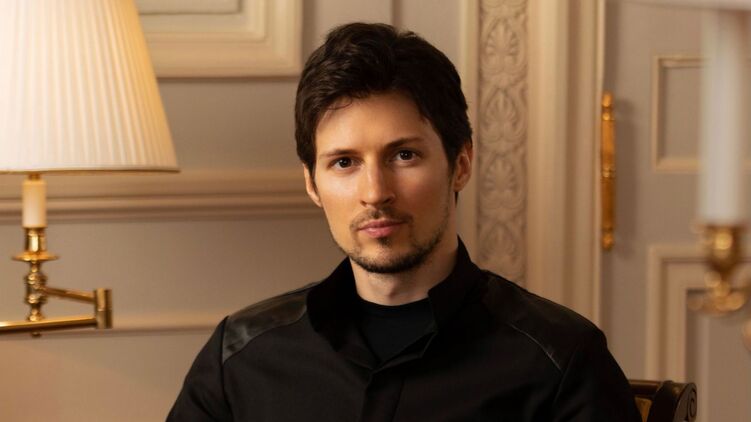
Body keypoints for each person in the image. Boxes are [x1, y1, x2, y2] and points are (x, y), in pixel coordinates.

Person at [168, 22, 641, 421]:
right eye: (344, 163)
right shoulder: (239, 356)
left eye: (404, 155)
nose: (375, 192)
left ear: (461, 164)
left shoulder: (561, 361)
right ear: (312, 183)